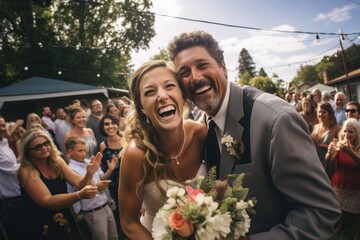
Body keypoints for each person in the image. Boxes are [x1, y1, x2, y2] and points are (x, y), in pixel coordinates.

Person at [167, 30, 341, 239]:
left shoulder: (276, 120)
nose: (195, 77)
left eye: (202, 65)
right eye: (184, 73)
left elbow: (321, 212)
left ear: (223, 67)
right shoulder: (201, 128)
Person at [119, 60, 207, 239]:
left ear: (182, 95)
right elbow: (129, 222)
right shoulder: (136, 154)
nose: (162, 96)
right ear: (141, 107)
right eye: (150, 92)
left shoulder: (201, 134)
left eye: (169, 86)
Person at [17, 129, 101, 239]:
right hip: (43, 222)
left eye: (46, 143)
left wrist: (89, 174)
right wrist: (79, 195)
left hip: (64, 216)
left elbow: (80, 183)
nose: (44, 148)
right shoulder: (26, 171)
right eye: (37, 147)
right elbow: (47, 201)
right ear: (28, 151)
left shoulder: (57, 161)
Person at [65, 137, 118, 240]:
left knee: (114, 237)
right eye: (80, 150)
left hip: (105, 205)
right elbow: (81, 188)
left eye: (85, 150)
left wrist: (110, 170)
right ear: (70, 151)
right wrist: (97, 187)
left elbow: (101, 177)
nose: (83, 153)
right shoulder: (70, 170)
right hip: (93, 211)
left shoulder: (89, 161)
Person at [326, 118, 360, 240]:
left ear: (357, 133)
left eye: (351, 132)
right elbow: (328, 161)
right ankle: (340, 226)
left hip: (355, 185)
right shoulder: (339, 144)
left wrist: (349, 151)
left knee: (357, 211)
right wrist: (330, 152)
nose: (347, 134)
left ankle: (357, 232)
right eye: (345, 131)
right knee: (341, 208)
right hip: (340, 182)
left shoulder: (357, 146)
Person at [0, 116, 23, 239]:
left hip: (19, 196)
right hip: (10, 203)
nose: (2, 129)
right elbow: (15, 170)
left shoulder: (4, 143)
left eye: (3, 125)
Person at [311, 102, 339, 178]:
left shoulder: (335, 128)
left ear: (329, 114)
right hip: (316, 159)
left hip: (328, 160)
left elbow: (338, 147)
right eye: (319, 112)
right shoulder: (316, 126)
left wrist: (320, 145)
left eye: (324, 112)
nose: (321, 114)